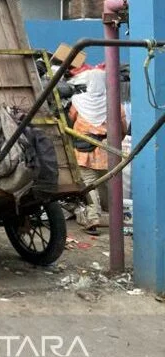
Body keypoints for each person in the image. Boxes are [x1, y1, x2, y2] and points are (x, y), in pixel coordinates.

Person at [68, 69, 126, 235]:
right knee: (108, 183)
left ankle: (93, 219)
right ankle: (114, 217)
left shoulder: (78, 102)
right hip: (108, 149)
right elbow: (123, 127)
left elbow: (70, 120)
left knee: (89, 184)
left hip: (83, 149)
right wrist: (115, 143)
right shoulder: (115, 103)